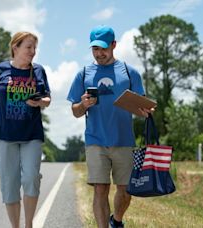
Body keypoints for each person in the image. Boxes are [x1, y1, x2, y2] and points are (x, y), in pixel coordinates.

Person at [67, 25, 152, 228]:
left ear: (114, 45)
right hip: (95, 140)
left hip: (123, 140)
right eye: (95, 49)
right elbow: (75, 111)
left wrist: (145, 111)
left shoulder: (130, 73)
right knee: (100, 188)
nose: (99, 53)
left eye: (104, 48)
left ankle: (117, 220)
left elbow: (141, 108)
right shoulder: (83, 74)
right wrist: (83, 105)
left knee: (125, 190)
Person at [0, 31, 51, 228]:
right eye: (28, 47)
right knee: (9, 184)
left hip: (31, 134)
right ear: (15, 47)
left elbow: (48, 100)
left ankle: (29, 224)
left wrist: (40, 102)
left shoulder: (38, 71)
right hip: (5, 136)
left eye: (34, 48)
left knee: (31, 177)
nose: (33, 52)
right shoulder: (0, 70)